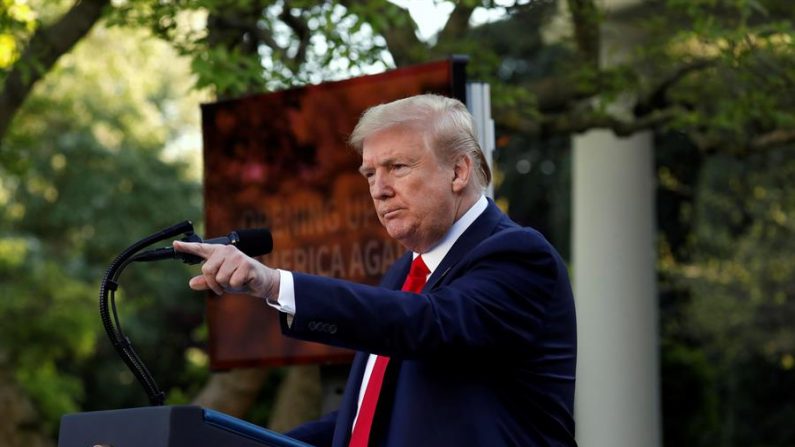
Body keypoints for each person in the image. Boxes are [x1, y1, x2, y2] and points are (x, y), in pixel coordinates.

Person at [174, 94, 577, 446]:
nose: (378, 189)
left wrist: (272, 282)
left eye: (398, 167)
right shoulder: (404, 273)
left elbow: (430, 324)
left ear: (458, 172)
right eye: (370, 173)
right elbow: (363, 420)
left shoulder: (518, 255)